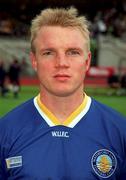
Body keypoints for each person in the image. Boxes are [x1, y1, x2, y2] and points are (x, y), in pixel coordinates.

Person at [0, 7, 126, 179]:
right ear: (34, 61)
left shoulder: (120, 131)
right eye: (49, 53)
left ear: (87, 61)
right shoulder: (5, 131)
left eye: (73, 52)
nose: (61, 63)